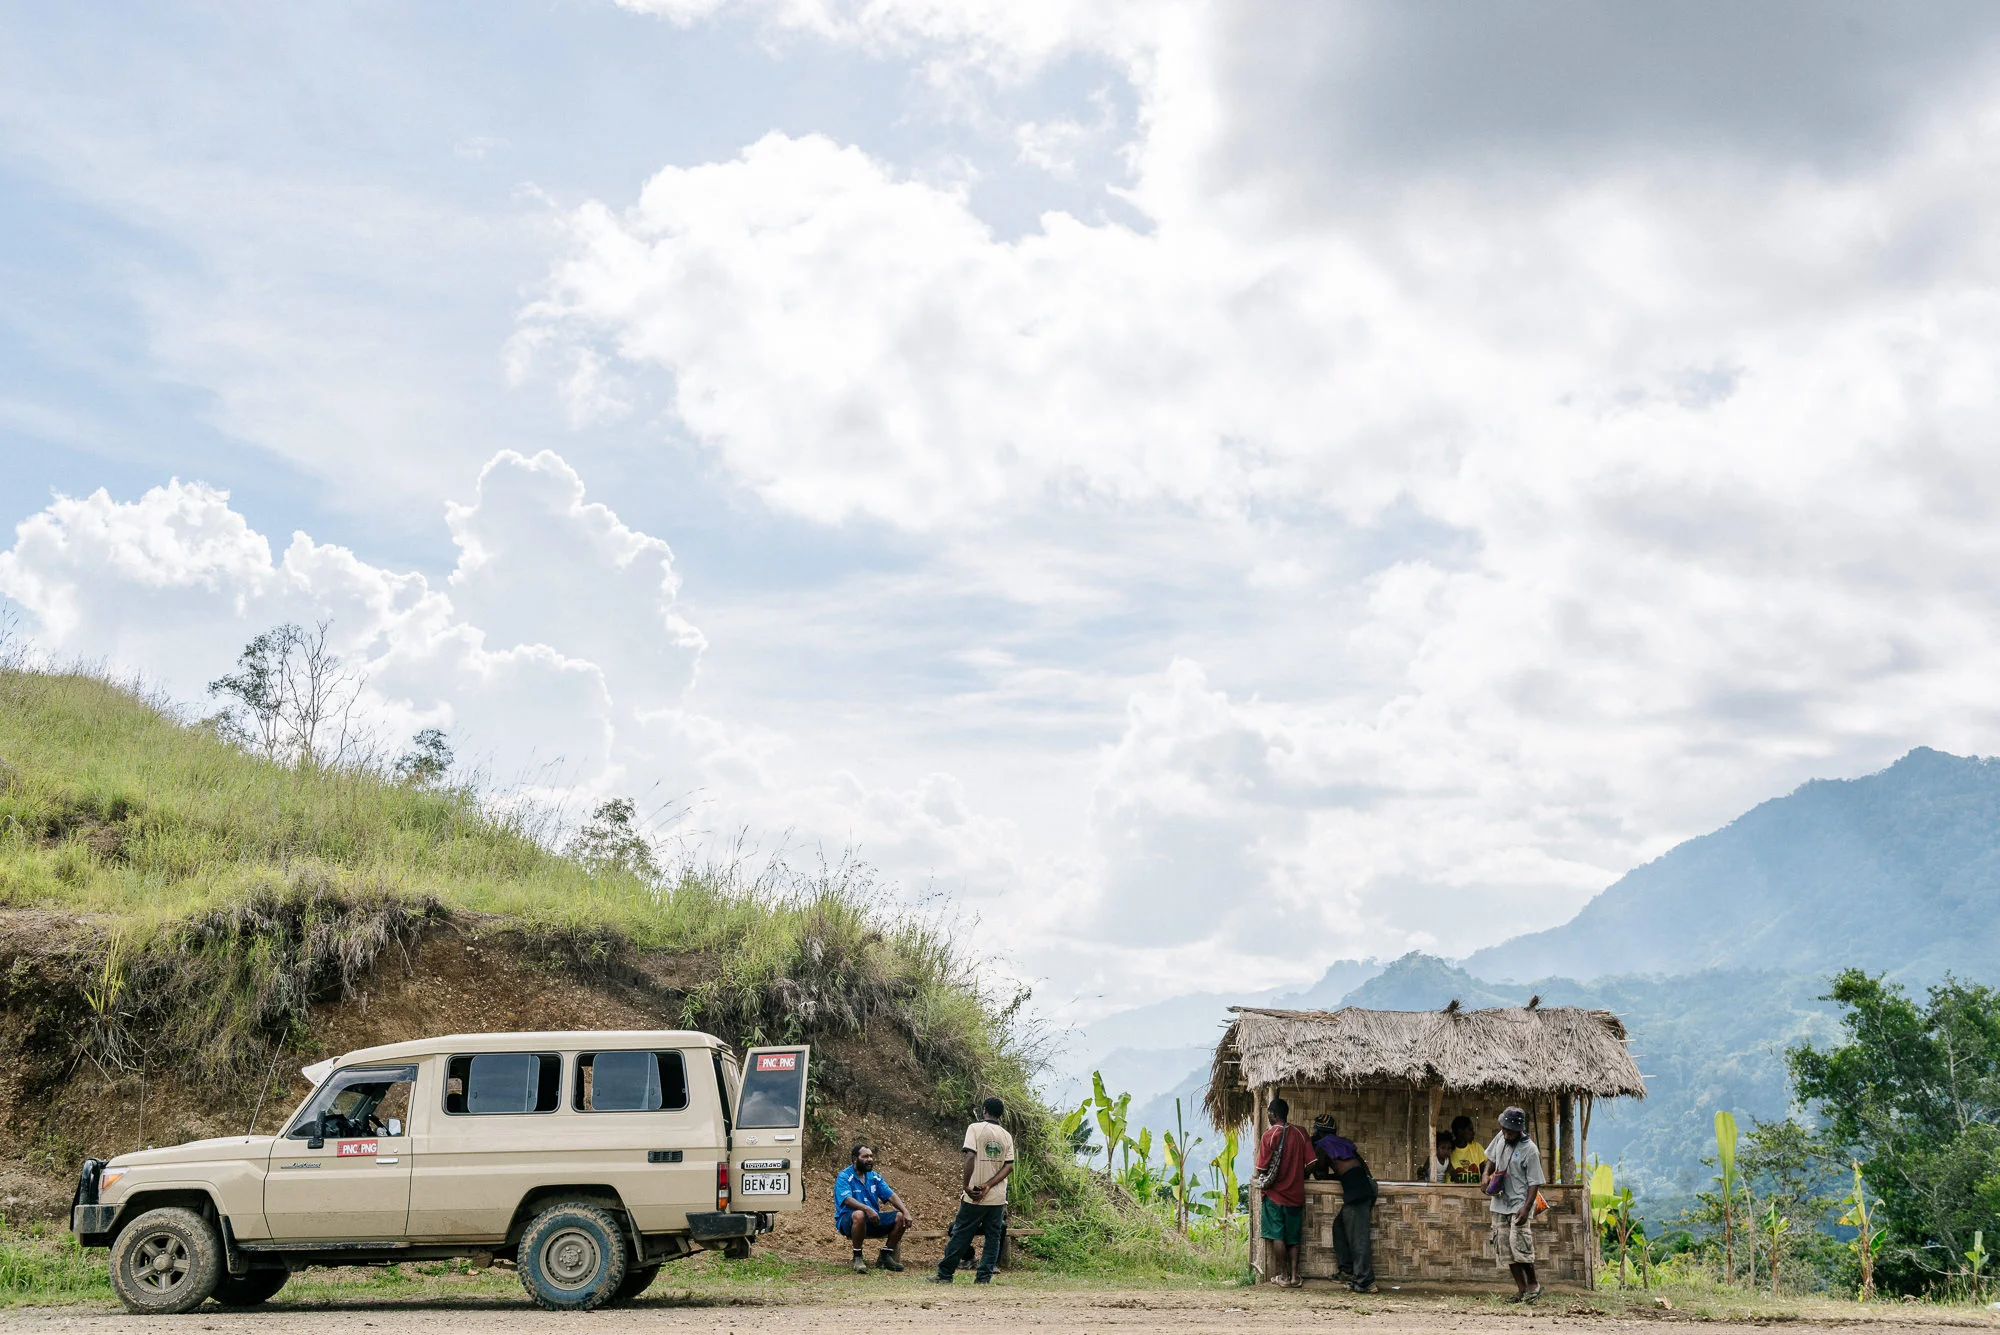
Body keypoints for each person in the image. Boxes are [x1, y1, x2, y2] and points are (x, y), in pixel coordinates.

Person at [932, 1096, 1015, 1284]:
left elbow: (970, 1156)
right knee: (993, 1237)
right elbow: (1008, 1166)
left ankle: (945, 1275)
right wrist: (989, 1185)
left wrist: (966, 1186)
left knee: (961, 1233)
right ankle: (983, 1278)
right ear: (1000, 1114)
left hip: (974, 1195)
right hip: (997, 1197)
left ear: (984, 1110)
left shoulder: (975, 1128)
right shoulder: (1006, 1135)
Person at [1306, 1113, 1377, 1293]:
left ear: (1319, 1132)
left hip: (1357, 1190)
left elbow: (1319, 1173)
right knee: (1340, 1227)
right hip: (1367, 1184)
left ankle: (1365, 1282)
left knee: (1358, 1237)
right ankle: (1347, 1270)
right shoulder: (1343, 1143)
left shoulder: (1322, 1145)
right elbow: (1358, 1167)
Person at [1482, 1106, 1546, 1303]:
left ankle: (1534, 1283)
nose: (1506, 1134)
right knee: (1505, 1247)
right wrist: (1485, 1175)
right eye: (1504, 1129)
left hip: (1519, 1203)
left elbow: (1534, 1182)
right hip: (1499, 1202)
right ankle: (1521, 1289)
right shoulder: (1500, 1137)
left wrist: (1527, 1208)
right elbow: (1491, 1159)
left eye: (1509, 1131)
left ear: (1520, 1130)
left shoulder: (1530, 1150)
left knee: (1520, 1244)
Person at [1254, 1097, 1313, 1288]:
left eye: (1269, 1114)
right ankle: (1296, 1277)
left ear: (1273, 1114)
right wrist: (1299, 1175)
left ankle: (1284, 1276)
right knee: (1293, 1237)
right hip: (1296, 1195)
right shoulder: (1301, 1133)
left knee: (1278, 1236)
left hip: (1274, 1196)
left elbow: (1261, 1168)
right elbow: (1312, 1163)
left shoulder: (1269, 1136)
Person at [834, 1143, 913, 1273]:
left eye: (871, 1156)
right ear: (855, 1158)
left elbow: (891, 1196)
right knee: (859, 1214)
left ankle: (885, 1256)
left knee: (900, 1217)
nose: (870, 1159)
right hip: (849, 1221)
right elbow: (847, 1200)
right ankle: (857, 1257)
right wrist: (866, 1209)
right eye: (865, 1156)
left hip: (872, 1220)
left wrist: (906, 1212)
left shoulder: (874, 1177)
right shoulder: (844, 1176)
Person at [1449, 1115, 1488, 1183]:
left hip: (1473, 1192)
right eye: (1470, 1129)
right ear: (1460, 1131)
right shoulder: (1448, 1149)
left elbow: (1485, 1171)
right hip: (1452, 1192)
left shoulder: (1477, 1147)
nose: (1473, 1132)